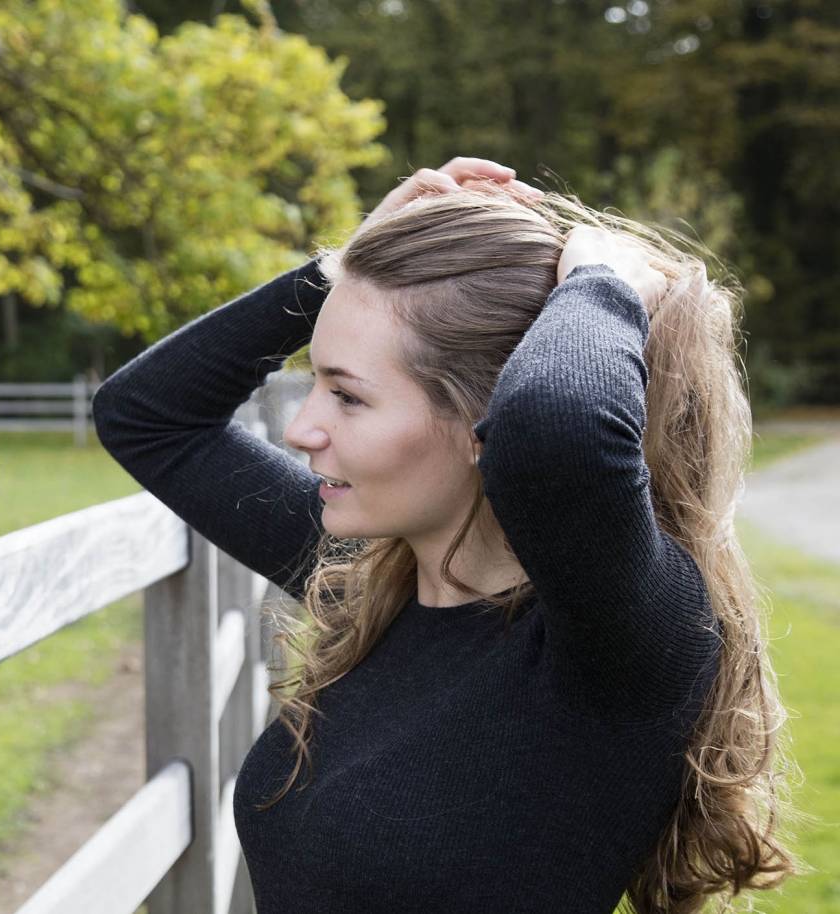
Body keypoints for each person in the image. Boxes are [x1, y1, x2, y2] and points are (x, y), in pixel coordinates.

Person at [92, 158, 805, 913]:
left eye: (348, 396)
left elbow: (557, 430)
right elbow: (148, 414)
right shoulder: (373, 581)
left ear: (484, 426)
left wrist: (605, 282)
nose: (303, 429)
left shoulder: (618, 639)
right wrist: (346, 270)